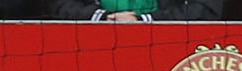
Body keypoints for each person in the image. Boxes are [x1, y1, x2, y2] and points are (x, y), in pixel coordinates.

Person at [48, 1, 225, 22]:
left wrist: (145, 19)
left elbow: (207, 8)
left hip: (167, 42)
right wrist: (102, 17)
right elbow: (59, 5)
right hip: (93, 41)